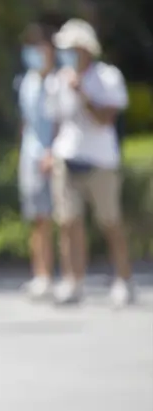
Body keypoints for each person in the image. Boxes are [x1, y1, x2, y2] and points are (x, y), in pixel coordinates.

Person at [47, 18, 136, 306]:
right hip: (67, 158)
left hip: (101, 162)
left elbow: (105, 119)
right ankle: (74, 281)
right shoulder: (58, 79)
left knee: (110, 222)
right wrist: (51, 151)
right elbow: (57, 121)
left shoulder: (107, 77)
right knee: (68, 222)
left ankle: (123, 279)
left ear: (85, 49)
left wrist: (82, 94)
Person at [16, 23, 61, 300]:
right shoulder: (27, 82)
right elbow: (26, 121)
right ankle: (41, 275)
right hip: (30, 156)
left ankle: (67, 274)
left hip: (56, 155)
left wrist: (52, 152)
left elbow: (60, 121)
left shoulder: (59, 80)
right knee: (37, 218)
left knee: (65, 219)